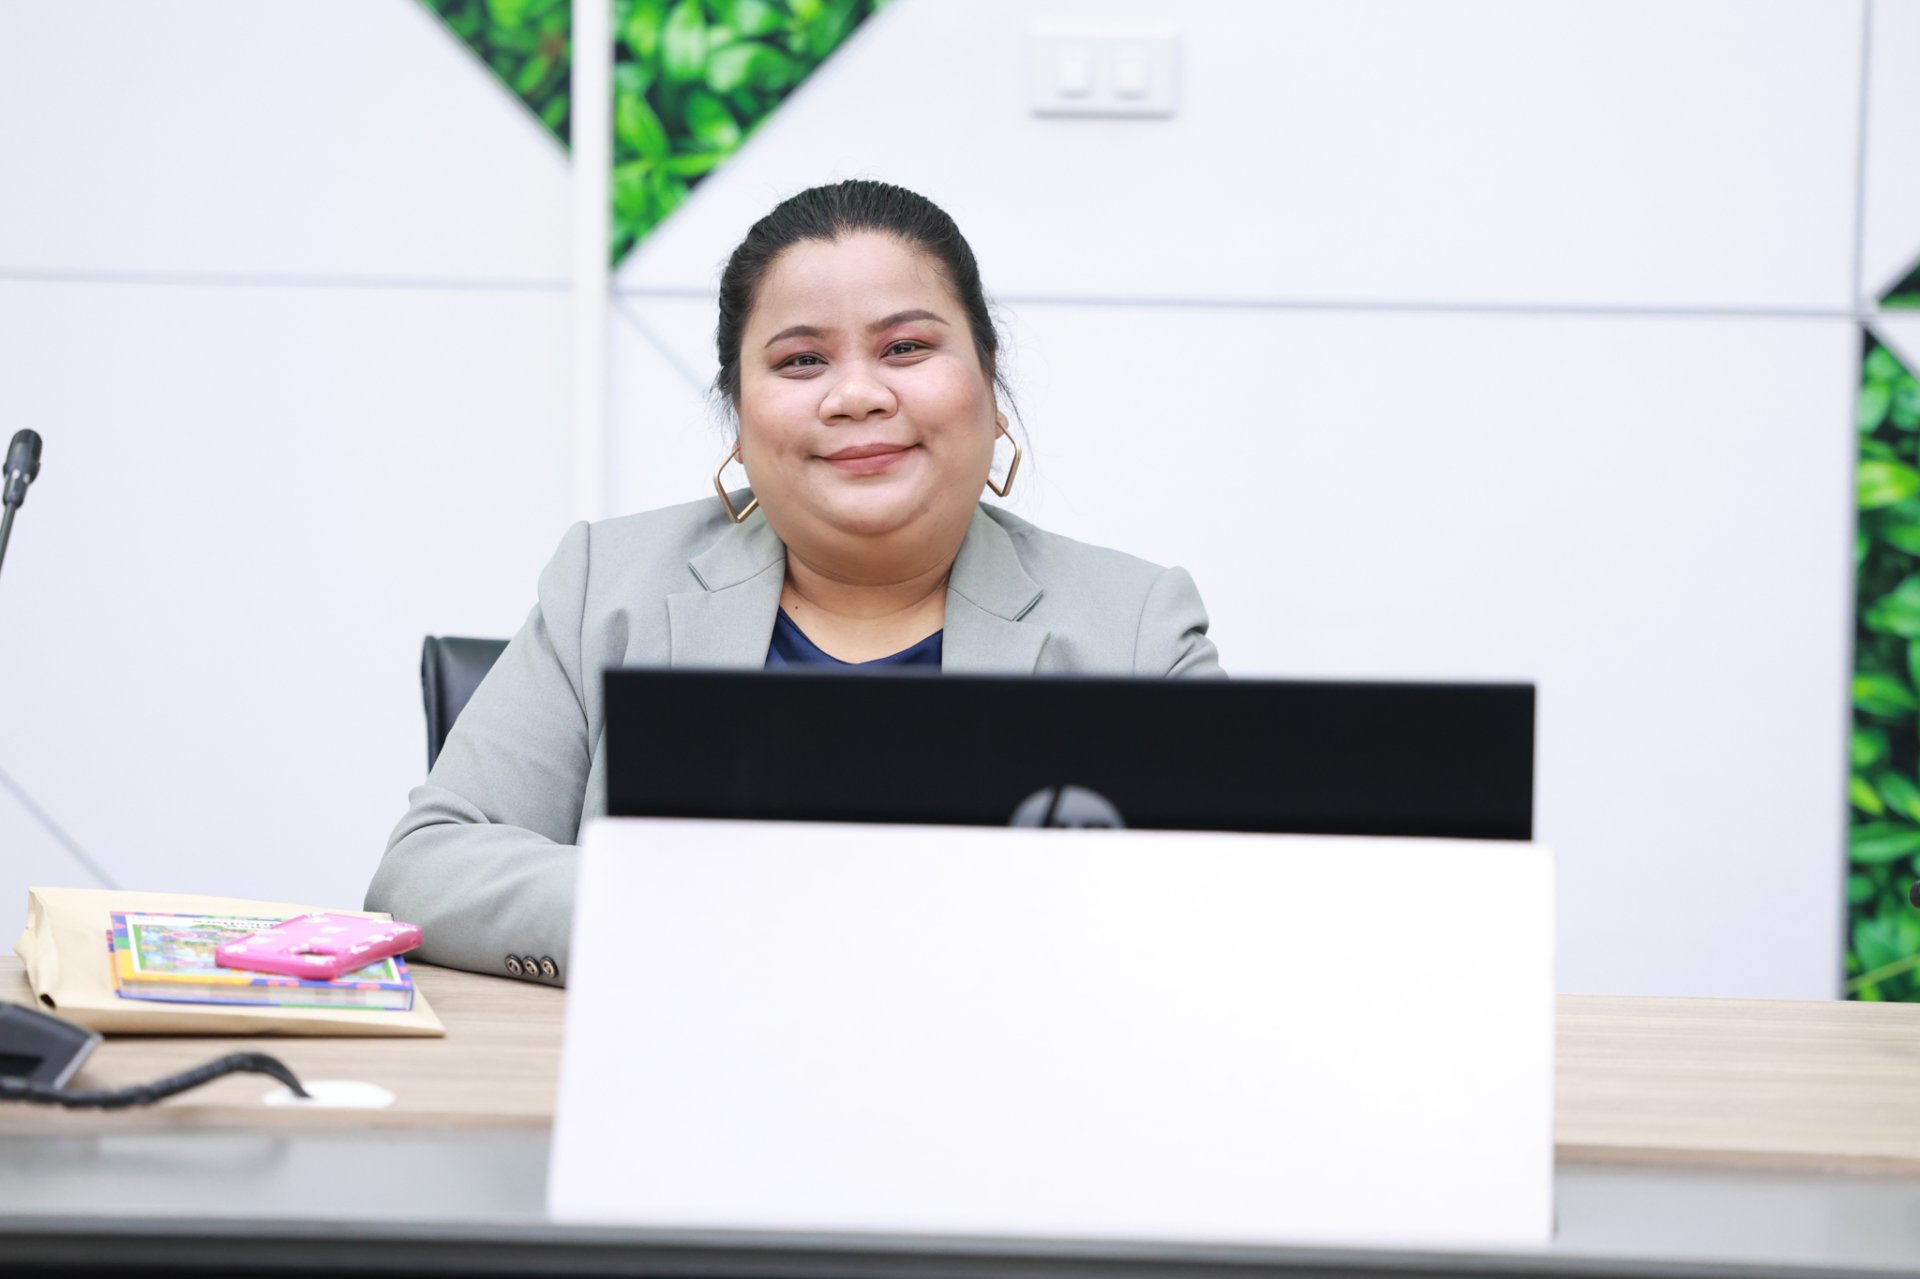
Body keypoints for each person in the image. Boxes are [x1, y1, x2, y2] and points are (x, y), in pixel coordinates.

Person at [365, 180, 1222, 983]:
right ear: (738, 417)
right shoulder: (606, 586)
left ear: (990, 384)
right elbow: (425, 868)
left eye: (906, 347)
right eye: (803, 360)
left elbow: (1233, 906)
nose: (856, 394)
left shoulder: (1137, 627)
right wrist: (695, 912)